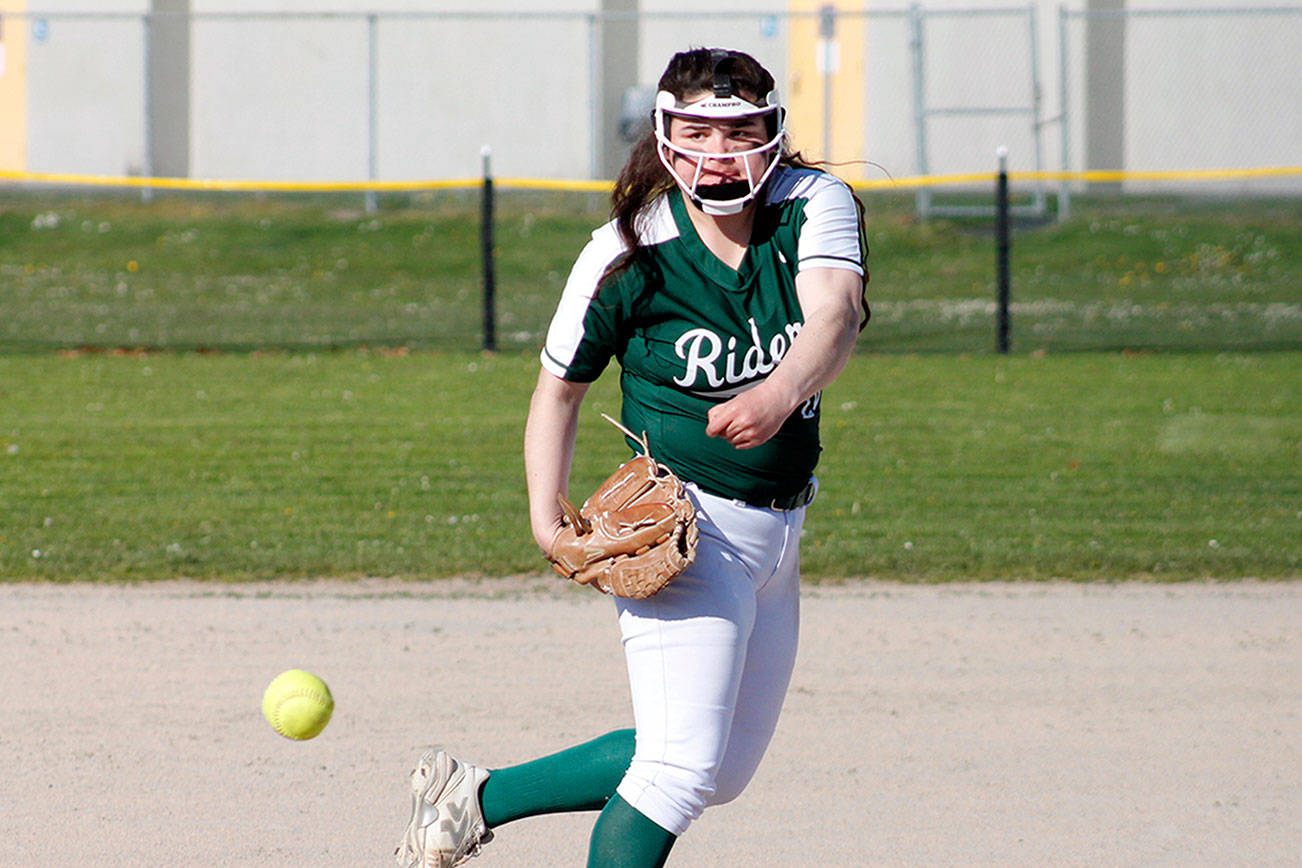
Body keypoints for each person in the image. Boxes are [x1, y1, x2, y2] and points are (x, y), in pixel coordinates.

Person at [396, 46, 869, 868]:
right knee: (680, 771)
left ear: (772, 135)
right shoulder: (628, 250)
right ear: (664, 137)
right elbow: (558, 390)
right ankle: (474, 801)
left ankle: (474, 797)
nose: (718, 154)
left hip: (780, 530)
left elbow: (836, 314)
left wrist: (779, 391)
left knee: (715, 771)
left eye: (738, 131)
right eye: (696, 132)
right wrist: (547, 520)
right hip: (683, 529)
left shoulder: (814, 205)